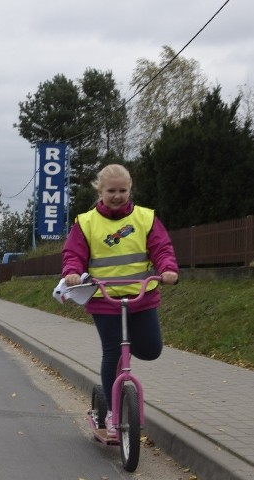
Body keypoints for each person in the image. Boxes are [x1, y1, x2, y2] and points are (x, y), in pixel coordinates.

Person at [62, 164, 179, 436]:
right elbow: (73, 254)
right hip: (105, 298)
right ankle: (114, 412)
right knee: (113, 353)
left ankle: (129, 350)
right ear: (100, 191)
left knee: (151, 349)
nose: (117, 196)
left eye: (122, 190)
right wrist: (71, 274)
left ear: (130, 189)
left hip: (141, 295)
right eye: (111, 190)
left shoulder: (145, 218)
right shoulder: (86, 222)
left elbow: (161, 247)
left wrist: (167, 269)